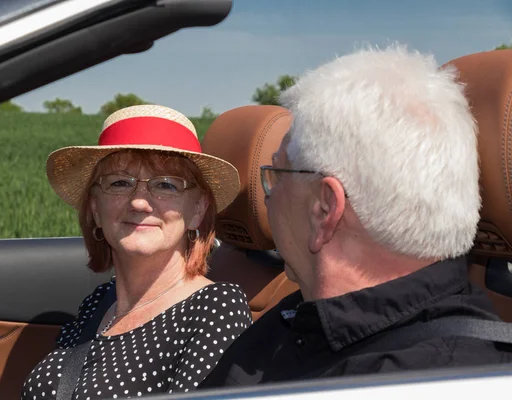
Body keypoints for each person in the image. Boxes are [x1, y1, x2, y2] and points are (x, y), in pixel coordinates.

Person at [198, 45, 512, 388]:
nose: (267, 201)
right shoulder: (298, 319)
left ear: (324, 209)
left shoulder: (427, 384)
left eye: (277, 176)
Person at [22, 104, 252, 399]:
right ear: (95, 207)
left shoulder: (216, 309)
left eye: (166, 185)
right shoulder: (98, 304)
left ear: (197, 209)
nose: (139, 202)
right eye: (120, 183)